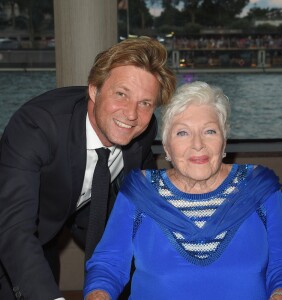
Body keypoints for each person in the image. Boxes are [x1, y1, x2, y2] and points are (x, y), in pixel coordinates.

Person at [84, 81, 282, 300]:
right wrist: (99, 294)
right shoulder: (140, 191)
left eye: (209, 131)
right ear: (167, 147)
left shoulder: (260, 189)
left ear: (224, 142)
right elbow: (108, 264)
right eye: (182, 133)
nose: (198, 144)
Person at [0, 36, 176, 300]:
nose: (131, 114)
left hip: (53, 233)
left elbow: (146, 200)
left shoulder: (143, 129)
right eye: (121, 94)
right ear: (94, 90)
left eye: (145, 103)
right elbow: (13, 230)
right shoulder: (37, 126)